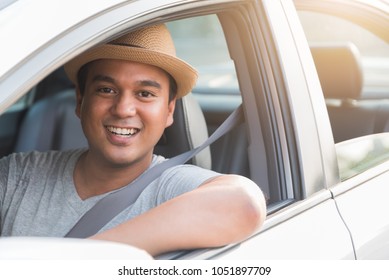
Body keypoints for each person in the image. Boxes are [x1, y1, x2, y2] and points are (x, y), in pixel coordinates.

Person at [0, 24, 266, 257]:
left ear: (169, 110)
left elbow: (245, 204)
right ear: (81, 101)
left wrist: (79, 259)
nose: (123, 109)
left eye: (145, 93)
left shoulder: (171, 188)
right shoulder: (21, 174)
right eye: (107, 90)